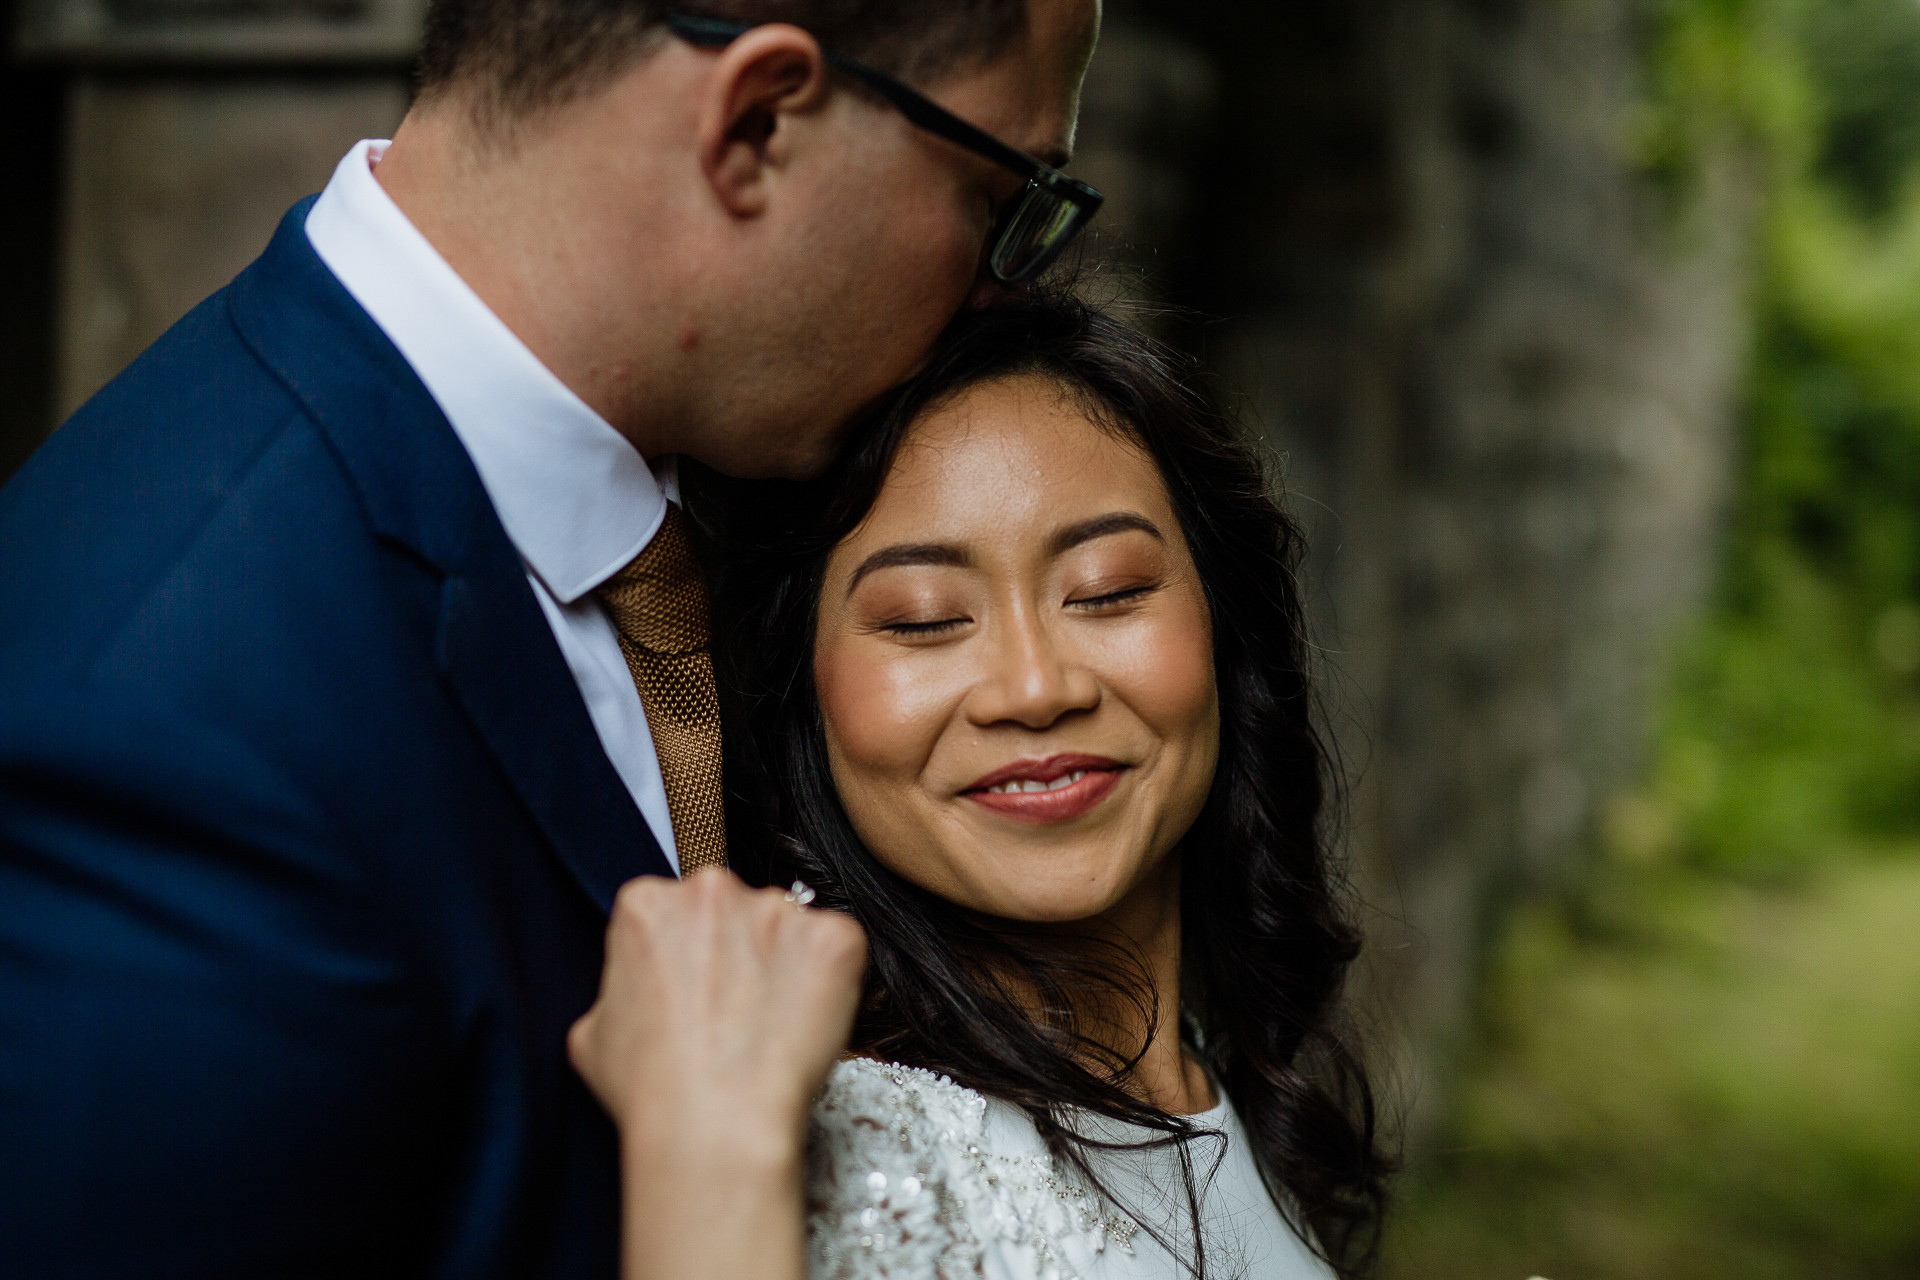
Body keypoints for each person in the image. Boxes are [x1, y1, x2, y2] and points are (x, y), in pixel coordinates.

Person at [0, 2, 1101, 1275]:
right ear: (756, 126)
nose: (998, 290)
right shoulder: (159, 739)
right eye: (1002, 194)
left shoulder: (766, 484)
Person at [569, 294, 1394, 1280]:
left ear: (1224, 631)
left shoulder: (1234, 1084)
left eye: (1108, 590)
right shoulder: (816, 1151)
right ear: (803, 699)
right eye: (922, 619)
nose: (1036, 687)